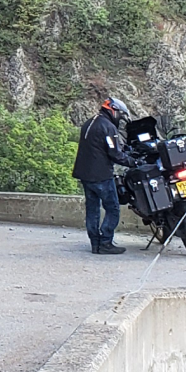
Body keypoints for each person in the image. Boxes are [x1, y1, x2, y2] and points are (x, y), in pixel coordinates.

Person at [74, 97, 131, 255]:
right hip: (101, 175)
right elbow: (115, 154)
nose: (120, 119)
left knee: (92, 210)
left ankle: (95, 243)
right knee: (112, 208)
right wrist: (133, 162)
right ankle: (106, 242)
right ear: (114, 111)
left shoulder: (89, 123)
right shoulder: (108, 127)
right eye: (120, 116)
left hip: (85, 174)